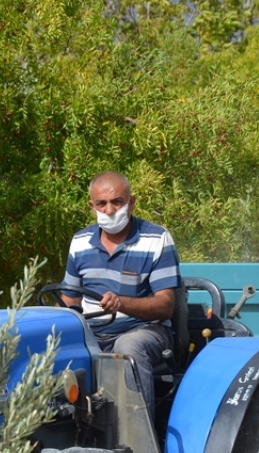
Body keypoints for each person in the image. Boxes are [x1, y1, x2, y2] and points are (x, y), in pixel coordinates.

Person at [62, 172, 179, 419]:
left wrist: (121, 303)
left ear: (131, 202)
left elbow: (166, 305)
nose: (110, 210)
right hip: (93, 332)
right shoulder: (80, 242)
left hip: (144, 330)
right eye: (102, 203)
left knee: (128, 347)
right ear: (92, 206)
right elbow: (69, 300)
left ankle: (137, 436)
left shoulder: (156, 238)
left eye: (117, 202)